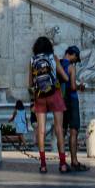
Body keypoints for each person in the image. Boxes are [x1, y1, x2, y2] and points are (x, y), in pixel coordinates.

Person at [28, 36, 70, 173]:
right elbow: (65, 77)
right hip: (55, 94)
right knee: (59, 129)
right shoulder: (54, 58)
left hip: (40, 97)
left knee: (41, 130)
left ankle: (43, 164)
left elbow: (30, 84)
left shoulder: (32, 60)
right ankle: (63, 164)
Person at [60, 46, 88, 171]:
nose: (75, 62)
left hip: (60, 101)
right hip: (71, 100)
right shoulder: (71, 67)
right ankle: (74, 161)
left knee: (62, 131)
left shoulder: (58, 65)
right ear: (72, 54)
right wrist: (79, 86)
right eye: (76, 59)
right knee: (73, 131)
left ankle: (62, 162)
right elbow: (72, 87)